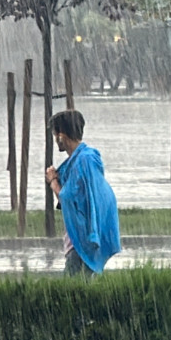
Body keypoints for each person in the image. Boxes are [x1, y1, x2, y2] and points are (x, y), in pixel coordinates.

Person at [45, 110, 121, 277]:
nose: (55, 139)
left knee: (70, 292)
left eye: (55, 134)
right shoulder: (82, 161)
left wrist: (53, 182)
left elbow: (69, 199)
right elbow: (77, 198)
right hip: (79, 239)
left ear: (61, 136)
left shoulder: (84, 161)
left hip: (82, 241)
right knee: (80, 289)